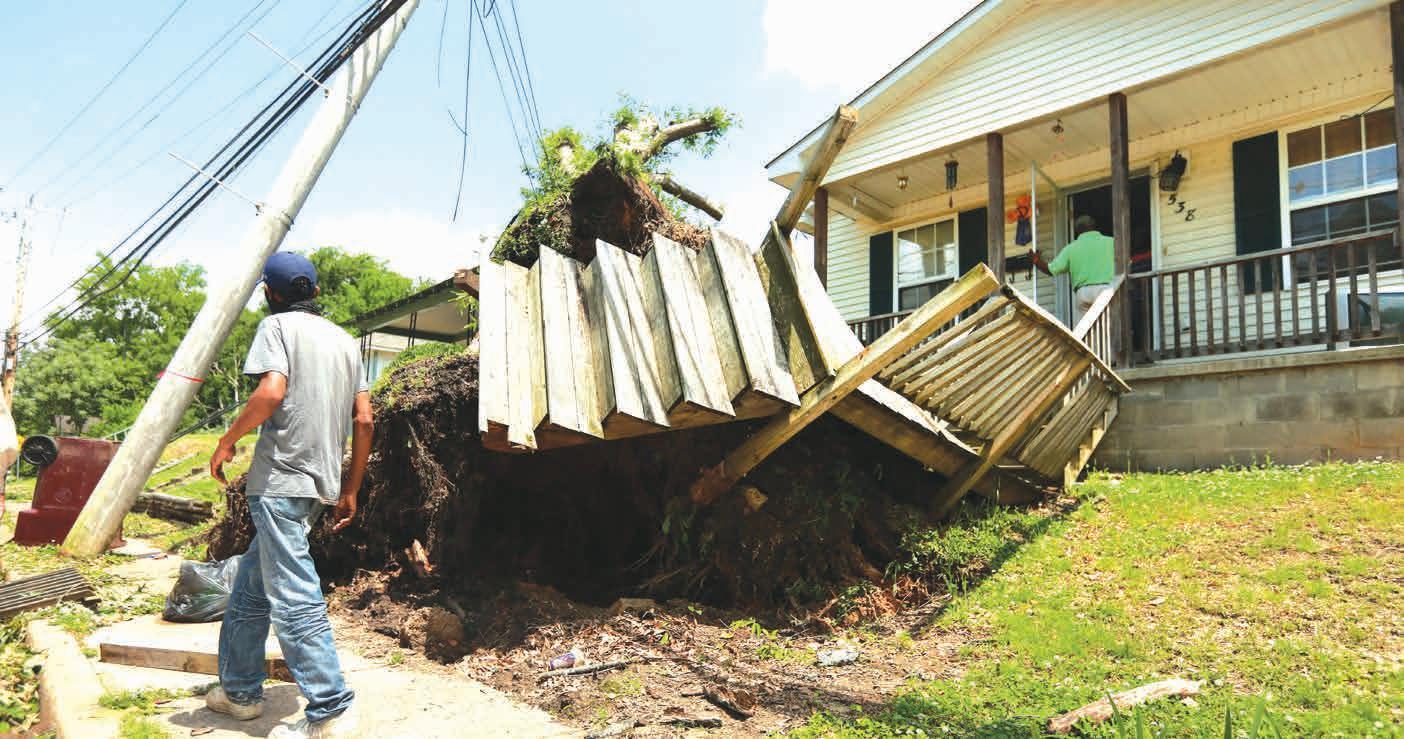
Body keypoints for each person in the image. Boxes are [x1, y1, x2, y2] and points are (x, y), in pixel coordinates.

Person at [205, 252, 372, 739]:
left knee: (293, 593)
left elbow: (271, 391)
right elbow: (364, 419)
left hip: (279, 481)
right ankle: (240, 692)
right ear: (315, 292)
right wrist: (351, 487)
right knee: (251, 587)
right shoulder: (345, 342)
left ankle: (330, 707)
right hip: (319, 485)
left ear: (269, 294)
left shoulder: (275, 327)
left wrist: (227, 440)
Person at [1031, 214, 1115, 326]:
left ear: (1077, 231)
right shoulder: (1112, 242)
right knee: (1109, 326)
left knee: (1085, 329)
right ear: (1095, 227)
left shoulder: (1071, 248)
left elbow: (1051, 270)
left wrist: (1036, 260)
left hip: (1083, 294)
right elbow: (1126, 262)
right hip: (1106, 290)